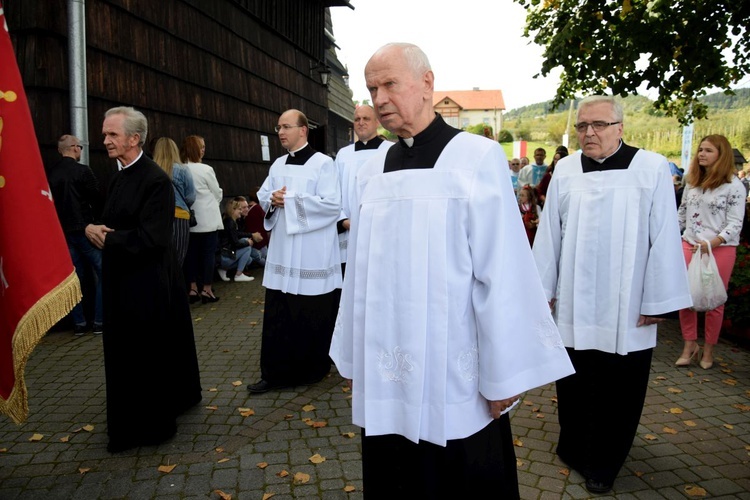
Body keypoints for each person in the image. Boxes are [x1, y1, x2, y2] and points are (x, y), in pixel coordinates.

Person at [329, 43, 574, 499]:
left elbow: (503, 270)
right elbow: (357, 272)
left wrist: (504, 374)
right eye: (371, 88)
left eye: (389, 84)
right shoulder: (371, 170)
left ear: (426, 84)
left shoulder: (475, 158)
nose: (379, 98)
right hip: (389, 361)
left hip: (453, 363)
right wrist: (352, 351)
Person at [532, 95, 692, 494]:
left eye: (599, 125)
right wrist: (540, 292)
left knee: (618, 390)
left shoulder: (650, 167)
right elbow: (549, 235)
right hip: (574, 299)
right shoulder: (566, 170)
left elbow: (664, 237)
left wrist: (658, 301)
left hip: (627, 304)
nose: (589, 133)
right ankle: (573, 447)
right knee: (573, 380)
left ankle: (605, 463)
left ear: (620, 128)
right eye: (583, 126)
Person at [85, 106, 201, 452]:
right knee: (122, 353)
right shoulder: (117, 175)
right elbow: (110, 220)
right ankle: (127, 419)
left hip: (146, 282)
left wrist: (109, 238)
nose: (105, 140)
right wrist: (92, 228)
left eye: (112, 135)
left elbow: (154, 238)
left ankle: (151, 426)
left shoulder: (155, 180)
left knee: (145, 354)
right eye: (105, 134)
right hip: (121, 279)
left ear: (134, 139)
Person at [247, 109, 342, 394]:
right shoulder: (277, 165)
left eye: (286, 127)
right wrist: (273, 200)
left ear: (303, 130)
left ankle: (310, 369)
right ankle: (274, 373)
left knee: (308, 312)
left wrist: (290, 199)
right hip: (283, 252)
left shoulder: (323, 164)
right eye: (278, 127)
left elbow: (331, 205)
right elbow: (264, 195)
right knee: (280, 313)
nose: (280, 132)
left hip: (312, 251)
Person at [676, 135, 746, 369]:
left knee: (715, 300)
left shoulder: (733, 186)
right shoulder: (692, 181)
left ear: (721, 154)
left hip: (720, 248)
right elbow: (682, 213)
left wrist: (712, 244)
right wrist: (670, 237)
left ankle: (709, 349)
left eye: (708, 150)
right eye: (700, 150)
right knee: (686, 298)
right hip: (690, 245)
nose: (701, 154)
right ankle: (689, 345)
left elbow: (735, 223)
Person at [47, 134, 104, 336]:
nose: (80, 150)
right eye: (79, 146)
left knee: (74, 279)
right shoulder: (83, 171)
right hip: (85, 231)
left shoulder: (50, 173)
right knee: (104, 271)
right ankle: (99, 321)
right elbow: (96, 198)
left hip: (63, 233)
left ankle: (79, 323)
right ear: (73, 148)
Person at [335, 104, 392, 274]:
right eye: (357, 119)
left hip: (380, 231)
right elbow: (333, 192)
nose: (361, 123)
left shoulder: (390, 151)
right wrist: (343, 220)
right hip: (347, 231)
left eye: (366, 118)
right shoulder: (343, 155)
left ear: (377, 122)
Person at [181, 135, 224, 304]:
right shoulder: (206, 169)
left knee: (190, 255)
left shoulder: (181, 168)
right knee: (208, 255)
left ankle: (192, 288)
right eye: (202, 146)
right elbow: (217, 191)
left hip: (189, 219)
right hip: (208, 220)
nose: (204, 149)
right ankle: (206, 289)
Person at [152, 137, 195, 267]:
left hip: (156, 218)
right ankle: (174, 286)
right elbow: (191, 196)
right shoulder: (182, 169)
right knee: (178, 258)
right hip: (179, 216)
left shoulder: (151, 169)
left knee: (159, 258)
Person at [217, 198, 255, 282]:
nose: (241, 211)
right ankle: (238, 274)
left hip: (225, 253)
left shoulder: (229, 221)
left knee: (249, 260)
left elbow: (236, 237)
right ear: (233, 210)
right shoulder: (230, 223)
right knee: (248, 247)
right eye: (239, 209)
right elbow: (235, 244)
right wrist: (248, 242)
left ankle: (224, 269)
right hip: (225, 255)